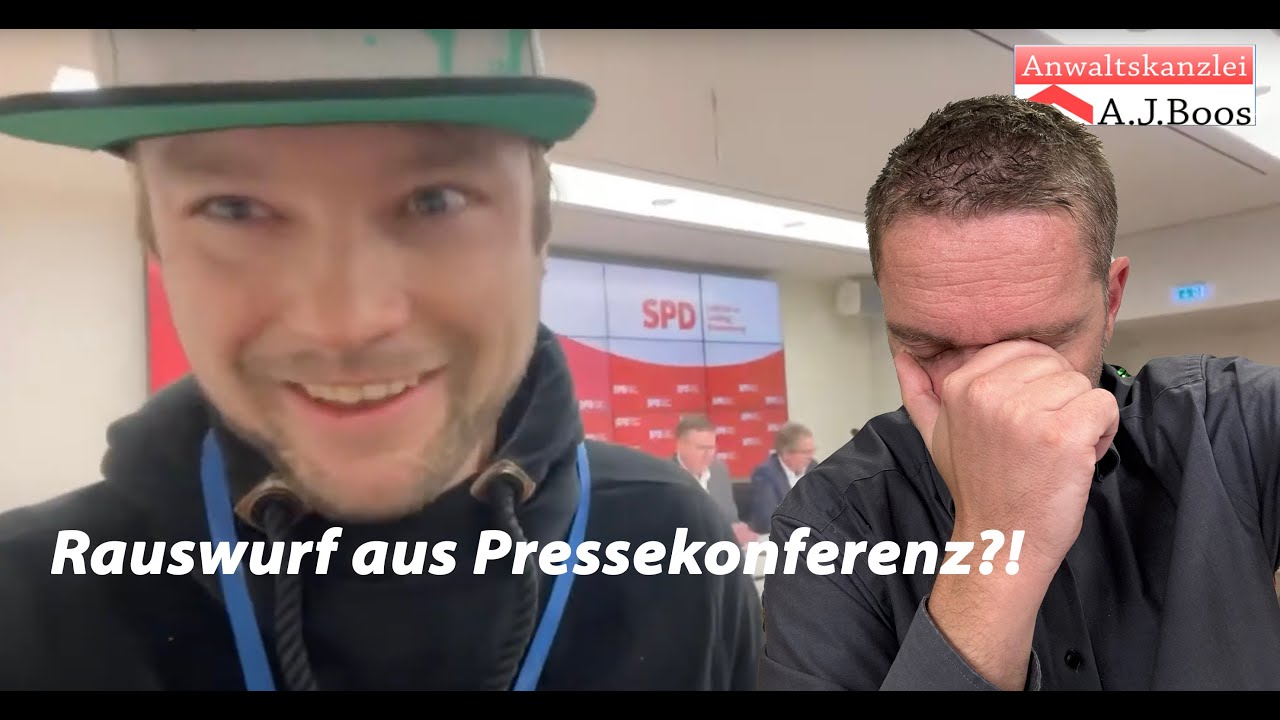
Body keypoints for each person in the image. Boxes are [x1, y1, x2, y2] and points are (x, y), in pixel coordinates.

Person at [0, 28, 760, 691]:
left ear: (539, 234)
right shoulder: (27, 603)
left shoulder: (672, 548)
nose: (345, 322)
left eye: (436, 200)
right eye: (235, 208)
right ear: (158, 248)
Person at [758, 95, 1280, 691]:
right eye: (932, 348)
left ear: (1111, 300)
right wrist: (994, 551)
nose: (986, 393)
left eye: (1038, 343)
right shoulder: (832, 519)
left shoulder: (1234, 426)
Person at [672, 414, 756, 547]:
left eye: (711, 448)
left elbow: (731, 517)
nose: (708, 455)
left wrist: (739, 530)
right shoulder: (665, 476)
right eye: (701, 448)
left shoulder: (719, 470)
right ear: (680, 445)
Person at [746, 422, 817, 534]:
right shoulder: (765, 474)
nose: (810, 457)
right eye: (805, 452)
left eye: (812, 451)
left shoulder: (813, 467)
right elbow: (768, 521)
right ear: (786, 453)